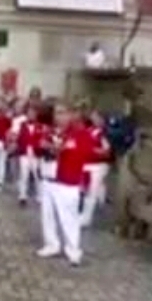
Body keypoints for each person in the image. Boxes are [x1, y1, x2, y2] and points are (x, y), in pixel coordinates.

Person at [37, 103, 101, 266]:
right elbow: (41, 146)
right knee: (48, 215)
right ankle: (51, 244)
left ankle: (73, 250)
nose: (59, 117)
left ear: (71, 115)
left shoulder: (80, 134)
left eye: (63, 113)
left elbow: (86, 152)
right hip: (48, 177)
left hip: (66, 181)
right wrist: (46, 146)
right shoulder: (49, 131)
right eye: (57, 113)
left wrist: (64, 148)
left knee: (68, 218)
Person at [80, 108, 112, 228]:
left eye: (96, 117)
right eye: (93, 117)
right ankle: (89, 210)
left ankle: (87, 217)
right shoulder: (90, 130)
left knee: (91, 192)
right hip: (86, 165)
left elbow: (107, 152)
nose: (94, 119)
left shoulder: (104, 133)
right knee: (86, 190)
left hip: (98, 165)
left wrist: (93, 151)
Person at [16, 104, 44, 206]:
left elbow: (41, 139)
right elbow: (20, 138)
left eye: (33, 114)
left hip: (35, 154)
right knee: (24, 175)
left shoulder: (40, 126)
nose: (31, 115)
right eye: (29, 113)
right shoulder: (22, 125)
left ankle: (39, 196)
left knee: (37, 176)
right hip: (24, 153)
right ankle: (22, 195)